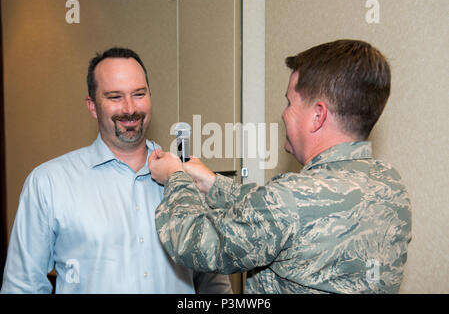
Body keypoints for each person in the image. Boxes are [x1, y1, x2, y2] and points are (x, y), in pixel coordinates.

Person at [148, 39, 412, 294]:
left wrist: (175, 177)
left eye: (290, 102)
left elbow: (192, 241)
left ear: (318, 116)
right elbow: (277, 213)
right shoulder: (390, 184)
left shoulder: (290, 199)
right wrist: (213, 184)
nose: (284, 113)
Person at [1, 47, 232, 294]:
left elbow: (213, 282)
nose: (130, 108)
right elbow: (22, 286)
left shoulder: (187, 180)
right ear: (92, 106)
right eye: (114, 97)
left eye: (139, 94)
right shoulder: (48, 183)